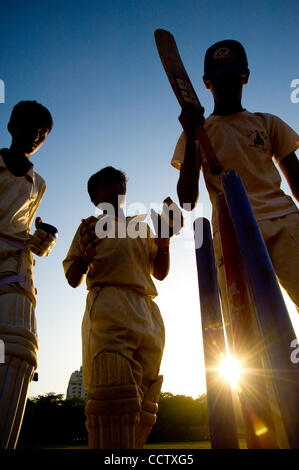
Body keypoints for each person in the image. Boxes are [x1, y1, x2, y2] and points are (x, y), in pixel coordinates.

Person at [171, 39, 299, 313]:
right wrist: (194, 138)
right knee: (247, 328)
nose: (226, 86)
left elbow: (298, 182)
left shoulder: (267, 123)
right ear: (207, 83)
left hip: (284, 220)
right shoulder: (196, 133)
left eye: (232, 78)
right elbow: (187, 200)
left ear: (245, 77)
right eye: (219, 80)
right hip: (231, 229)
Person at [62, 166, 182, 449]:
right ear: (95, 197)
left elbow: (160, 273)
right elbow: (71, 278)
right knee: (113, 399)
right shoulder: (88, 227)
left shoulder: (142, 227)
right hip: (109, 306)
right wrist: (85, 257)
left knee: (144, 404)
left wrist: (164, 239)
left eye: (120, 182)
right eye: (108, 183)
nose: (117, 187)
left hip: (147, 311)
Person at [0, 100, 57, 448]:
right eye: (32, 126)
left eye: (44, 133)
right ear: (12, 125)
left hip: (17, 273)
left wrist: (42, 241)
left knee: (17, 354)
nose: (37, 136)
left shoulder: (39, 184)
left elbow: (25, 236)